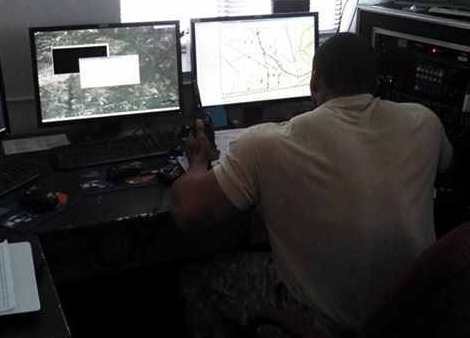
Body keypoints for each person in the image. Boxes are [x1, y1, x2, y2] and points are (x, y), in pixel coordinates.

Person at [171, 32, 454, 337]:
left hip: (328, 325)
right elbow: (446, 166)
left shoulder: (266, 144)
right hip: (412, 317)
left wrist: (198, 160)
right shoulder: (426, 123)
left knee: (198, 278)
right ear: (376, 85)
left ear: (314, 82)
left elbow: (187, 212)